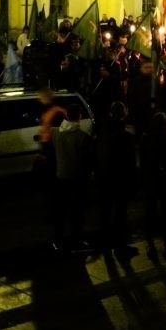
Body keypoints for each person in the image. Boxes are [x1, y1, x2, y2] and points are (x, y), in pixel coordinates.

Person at [95, 101, 138, 258]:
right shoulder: (124, 136)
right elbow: (130, 163)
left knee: (105, 212)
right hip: (120, 179)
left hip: (104, 177)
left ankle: (103, 243)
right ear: (123, 114)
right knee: (120, 213)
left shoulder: (103, 132)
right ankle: (121, 246)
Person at [51, 104, 96, 252]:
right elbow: (88, 161)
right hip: (77, 178)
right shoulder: (83, 137)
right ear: (79, 118)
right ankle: (76, 239)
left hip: (61, 177)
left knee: (60, 210)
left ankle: (58, 240)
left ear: (66, 117)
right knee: (77, 211)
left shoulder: (56, 134)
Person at [140, 112, 166, 259]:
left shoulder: (146, 139)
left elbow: (142, 161)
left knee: (150, 212)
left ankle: (150, 244)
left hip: (151, 180)